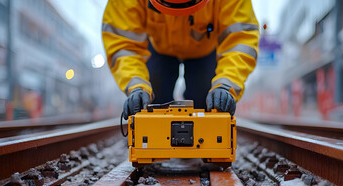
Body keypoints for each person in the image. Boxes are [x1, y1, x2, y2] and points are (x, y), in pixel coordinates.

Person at [102, 0, 259, 119]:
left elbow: (240, 40)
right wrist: (136, 86)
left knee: (208, 106)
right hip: (159, 50)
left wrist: (226, 85)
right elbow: (123, 44)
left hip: (205, 51)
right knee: (155, 105)